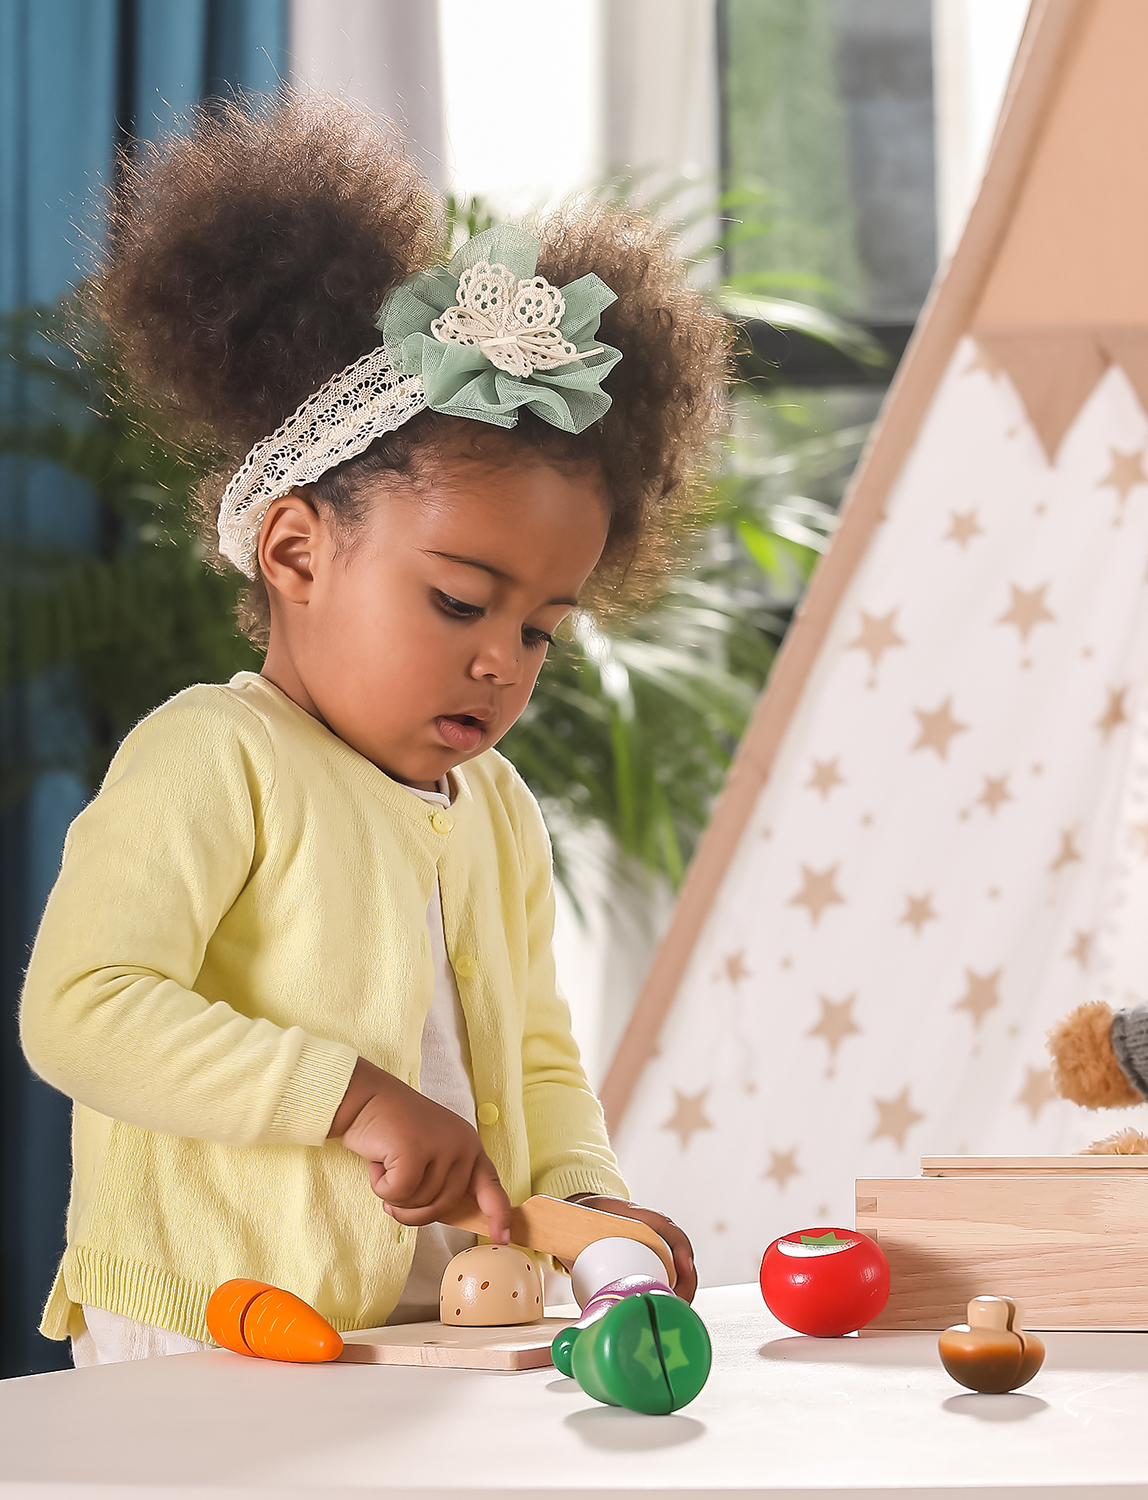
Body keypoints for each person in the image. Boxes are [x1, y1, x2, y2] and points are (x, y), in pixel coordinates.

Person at [18, 96, 727, 1364]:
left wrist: (589, 1201)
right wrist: (344, 1098)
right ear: (295, 550)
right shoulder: (213, 757)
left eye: (542, 628)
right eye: (460, 601)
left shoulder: (496, 810)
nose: (500, 661)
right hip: (216, 1323)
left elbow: (539, 1051)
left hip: (424, 1322)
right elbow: (81, 1007)